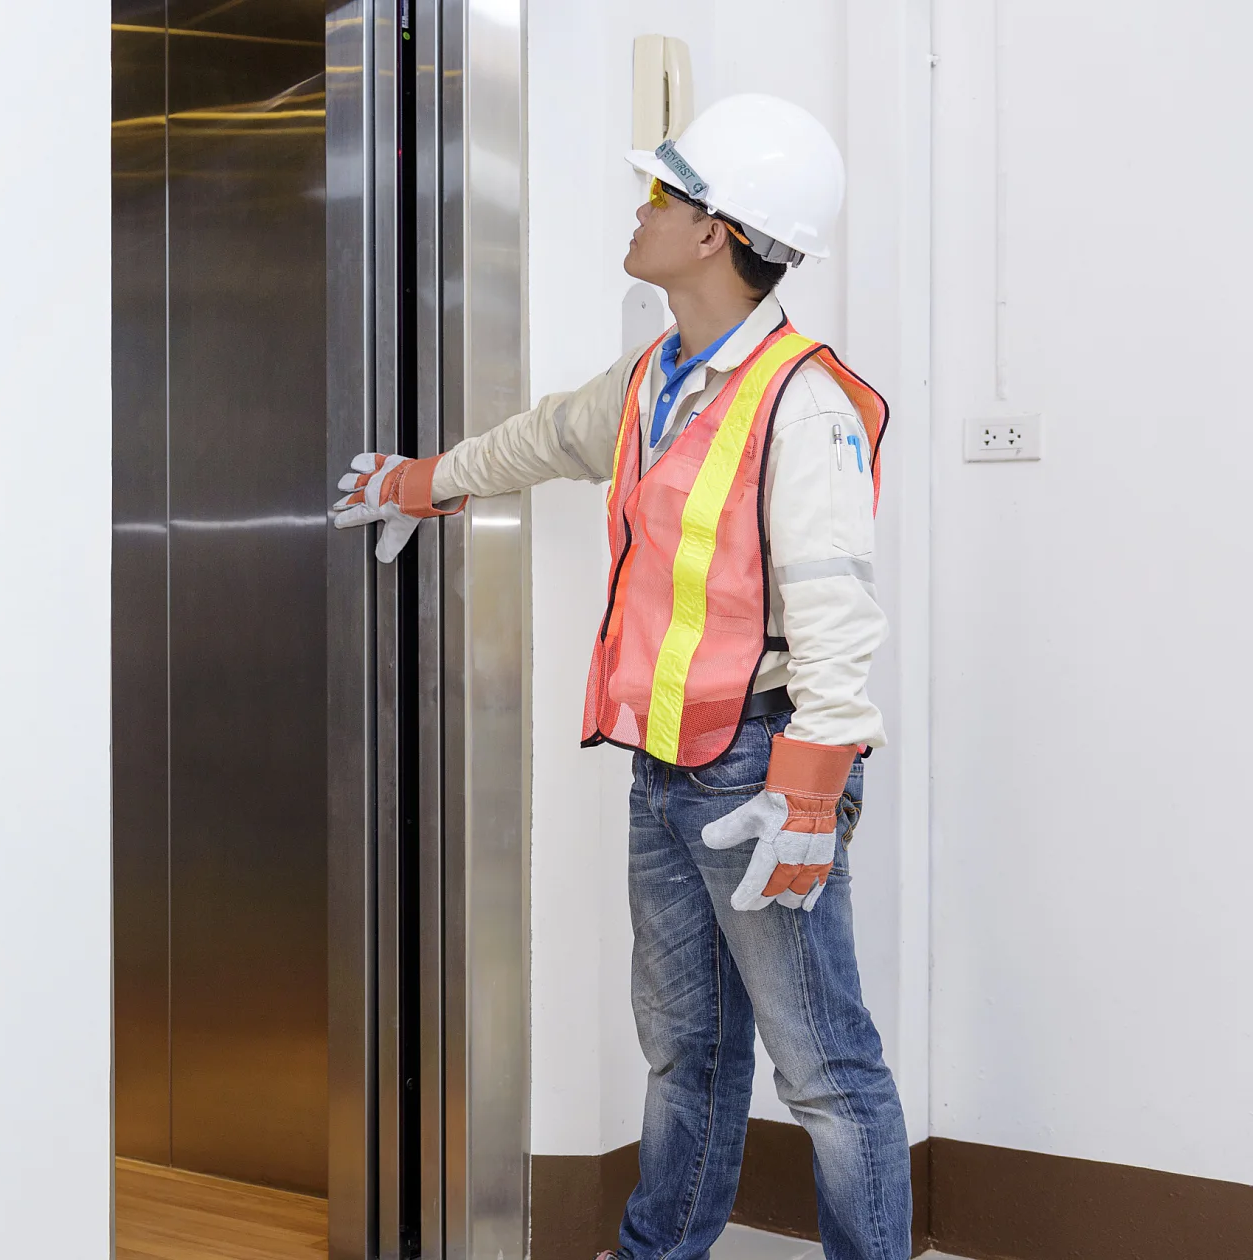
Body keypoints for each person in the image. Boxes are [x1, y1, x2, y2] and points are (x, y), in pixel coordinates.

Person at [332, 94, 912, 1260]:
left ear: (715, 232)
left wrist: (809, 789)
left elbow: (838, 604)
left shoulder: (800, 400)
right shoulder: (659, 375)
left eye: (663, 193)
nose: (640, 209)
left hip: (761, 773)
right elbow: (548, 437)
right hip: (664, 764)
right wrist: (422, 482)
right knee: (684, 1052)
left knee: (825, 1070)